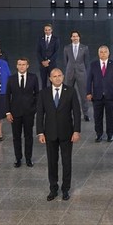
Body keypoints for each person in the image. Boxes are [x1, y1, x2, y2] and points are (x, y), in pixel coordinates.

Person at [37, 68, 81, 201]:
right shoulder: (43, 93)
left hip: (67, 133)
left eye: (59, 76)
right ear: (50, 79)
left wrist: (76, 130)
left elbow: (77, 113)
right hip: (50, 133)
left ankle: (65, 189)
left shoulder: (71, 91)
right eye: (54, 76)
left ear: (63, 77)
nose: (57, 78)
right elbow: (40, 114)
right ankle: (53, 188)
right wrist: (40, 132)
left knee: (66, 161)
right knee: (52, 162)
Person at [5, 58, 40, 168]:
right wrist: (8, 112)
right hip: (15, 113)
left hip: (29, 112)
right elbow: (7, 96)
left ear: (27, 66)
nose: (21, 66)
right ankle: (18, 158)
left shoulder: (33, 78)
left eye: (23, 64)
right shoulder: (11, 79)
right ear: (16, 66)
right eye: (19, 64)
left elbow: (37, 94)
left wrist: (34, 109)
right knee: (16, 136)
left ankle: (28, 158)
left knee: (28, 136)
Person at [86, 45, 113, 142]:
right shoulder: (93, 65)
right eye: (101, 52)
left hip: (110, 95)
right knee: (97, 116)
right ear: (98, 54)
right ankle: (99, 134)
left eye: (105, 52)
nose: (103, 54)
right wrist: (88, 92)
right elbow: (89, 80)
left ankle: (110, 134)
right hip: (97, 96)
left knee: (110, 116)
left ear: (108, 53)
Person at [63, 30, 90, 122]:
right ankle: (67, 113)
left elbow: (86, 62)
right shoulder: (67, 48)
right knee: (67, 94)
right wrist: (69, 69)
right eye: (73, 36)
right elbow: (66, 61)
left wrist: (84, 71)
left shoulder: (84, 48)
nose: (75, 38)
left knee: (83, 94)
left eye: (76, 36)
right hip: (69, 72)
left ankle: (85, 113)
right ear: (71, 38)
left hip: (81, 73)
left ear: (79, 37)